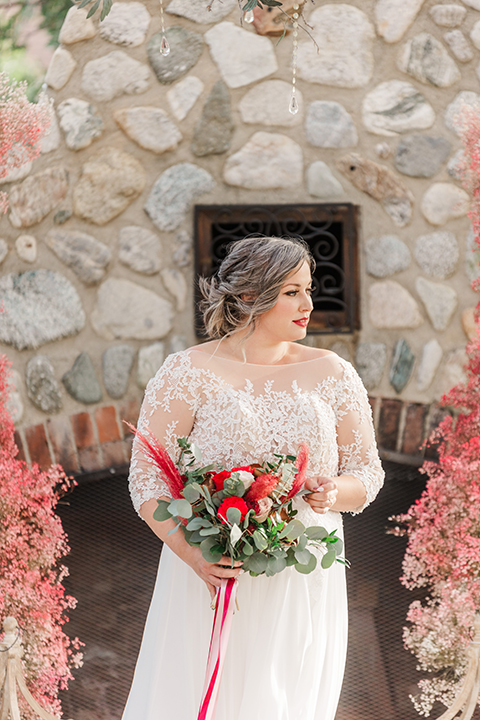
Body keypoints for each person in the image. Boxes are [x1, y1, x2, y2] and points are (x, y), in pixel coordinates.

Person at [122, 236, 384, 720]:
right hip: (213, 572)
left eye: (309, 289)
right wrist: (194, 555)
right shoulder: (187, 372)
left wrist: (333, 492)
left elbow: (367, 472)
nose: (308, 304)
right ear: (247, 297)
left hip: (302, 580)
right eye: (292, 292)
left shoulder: (332, 372)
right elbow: (147, 479)